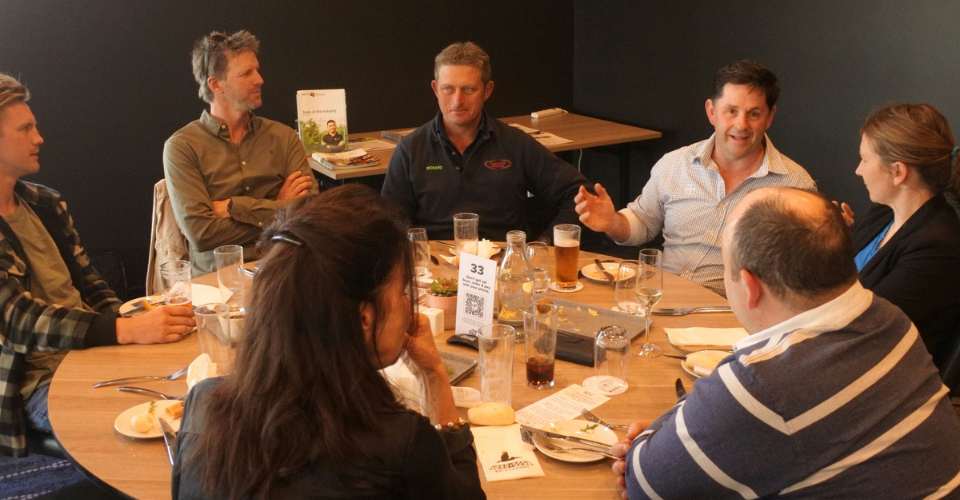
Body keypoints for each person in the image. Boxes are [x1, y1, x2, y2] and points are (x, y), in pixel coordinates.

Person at [611, 187, 960, 499]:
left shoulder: (764, 382)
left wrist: (660, 436)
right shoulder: (889, 318)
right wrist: (686, 426)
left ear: (750, 286)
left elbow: (645, 483)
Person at [173, 185, 485, 499]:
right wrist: (435, 376)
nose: (408, 304)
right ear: (364, 318)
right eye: (402, 291)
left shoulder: (202, 406)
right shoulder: (402, 443)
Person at [0, 73, 195, 457]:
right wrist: (125, 330)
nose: (39, 138)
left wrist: (137, 321)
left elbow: (89, 282)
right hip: (34, 380)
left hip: (89, 352)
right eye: (25, 129)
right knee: (146, 428)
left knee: (192, 391)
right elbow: (15, 319)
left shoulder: (45, 203)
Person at [575, 60, 815, 296]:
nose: (741, 124)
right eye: (731, 111)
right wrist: (612, 222)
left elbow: (803, 272)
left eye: (754, 114)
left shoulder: (795, 185)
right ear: (712, 112)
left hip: (732, 311)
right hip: (662, 298)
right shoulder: (675, 163)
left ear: (770, 117)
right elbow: (643, 223)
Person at [381, 42, 589, 243]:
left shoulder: (516, 144)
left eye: (469, 89)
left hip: (504, 260)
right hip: (434, 260)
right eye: (448, 89)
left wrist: (546, 244)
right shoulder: (410, 149)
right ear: (435, 89)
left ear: (487, 90)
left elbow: (581, 194)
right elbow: (389, 222)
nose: (457, 101)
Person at [163, 30, 318, 276]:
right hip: (217, 282)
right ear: (216, 84)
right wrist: (279, 208)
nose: (260, 79)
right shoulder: (182, 147)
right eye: (246, 73)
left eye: (257, 70)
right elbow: (202, 234)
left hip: (280, 271)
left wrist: (234, 208)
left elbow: (311, 212)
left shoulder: (284, 137)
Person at [838, 103, 960, 371]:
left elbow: (865, 327)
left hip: (877, 375)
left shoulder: (937, 246)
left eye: (865, 159)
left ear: (898, 172)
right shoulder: (883, 212)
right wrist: (831, 240)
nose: (859, 170)